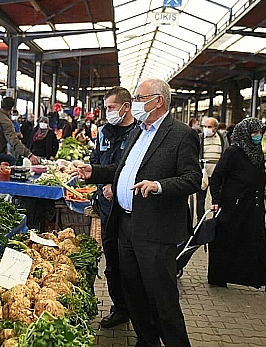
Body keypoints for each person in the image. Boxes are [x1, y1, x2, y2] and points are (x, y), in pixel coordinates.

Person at [76, 78, 200, 347]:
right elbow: (122, 171)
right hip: (126, 224)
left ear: (159, 100)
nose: (136, 103)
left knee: (162, 296)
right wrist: (94, 172)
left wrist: (158, 186)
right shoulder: (137, 132)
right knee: (134, 292)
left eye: (141, 98)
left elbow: (192, 178)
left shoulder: (181, 134)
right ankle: (146, 341)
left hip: (155, 229)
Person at [208, 117, 266, 297]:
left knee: (259, 241)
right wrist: (216, 200)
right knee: (226, 241)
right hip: (234, 206)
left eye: (260, 132)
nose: (257, 136)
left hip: (254, 207)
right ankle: (218, 276)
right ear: (245, 133)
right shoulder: (233, 152)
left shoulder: (257, 152)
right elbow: (216, 178)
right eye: (254, 132)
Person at [88, 86, 137, 329]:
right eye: (105, 108)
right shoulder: (104, 132)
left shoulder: (139, 133)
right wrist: (102, 183)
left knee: (129, 261)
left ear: (125, 107)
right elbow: (96, 161)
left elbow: (134, 169)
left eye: (111, 108)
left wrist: (114, 186)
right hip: (106, 207)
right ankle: (119, 308)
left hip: (128, 209)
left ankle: (135, 308)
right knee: (112, 263)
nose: (107, 112)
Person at [196, 117, 229, 219]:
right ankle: (200, 221)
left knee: (217, 199)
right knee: (200, 199)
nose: (206, 129)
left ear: (215, 128)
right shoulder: (199, 138)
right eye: (204, 126)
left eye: (209, 127)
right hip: (203, 175)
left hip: (217, 175)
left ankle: (216, 220)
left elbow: (226, 154)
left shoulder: (222, 139)